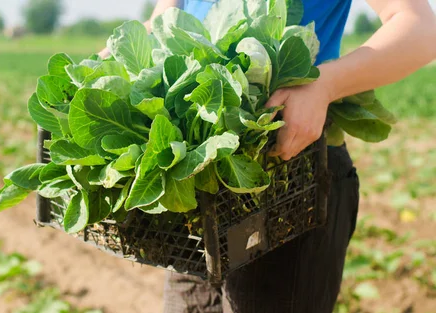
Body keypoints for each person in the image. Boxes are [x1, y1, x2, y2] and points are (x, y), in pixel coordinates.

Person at [103, 0, 436, 312]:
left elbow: (420, 29)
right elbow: (165, 19)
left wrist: (325, 86)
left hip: (293, 186)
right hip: (196, 189)